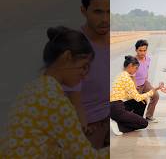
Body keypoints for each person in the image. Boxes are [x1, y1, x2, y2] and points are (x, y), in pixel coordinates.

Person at [0, 26, 108, 158]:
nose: (85, 76)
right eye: (84, 66)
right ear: (67, 57)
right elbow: (86, 157)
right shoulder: (55, 100)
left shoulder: (35, 87)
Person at [64, 0, 110, 149]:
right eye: (98, 12)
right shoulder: (74, 45)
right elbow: (73, 99)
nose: (105, 19)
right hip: (88, 127)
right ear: (83, 11)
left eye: (109, 11)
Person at [110, 56, 163, 135]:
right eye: (136, 68)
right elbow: (138, 97)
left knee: (142, 102)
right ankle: (119, 126)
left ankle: (133, 121)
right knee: (144, 123)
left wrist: (136, 92)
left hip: (113, 106)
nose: (136, 70)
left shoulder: (121, 75)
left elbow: (129, 96)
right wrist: (153, 90)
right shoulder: (127, 79)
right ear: (130, 66)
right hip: (117, 108)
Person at [133, 39, 160, 123]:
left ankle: (149, 116)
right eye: (140, 50)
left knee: (155, 95)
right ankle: (132, 119)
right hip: (135, 85)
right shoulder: (132, 61)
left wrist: (146, 80)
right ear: (136, 50)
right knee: (137, 103)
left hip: (145, 83)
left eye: (144, 50)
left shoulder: (147, 58)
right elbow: (130, 75)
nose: (142, 53)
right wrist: (134, 86)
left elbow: (146, 69)